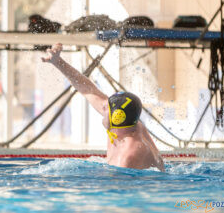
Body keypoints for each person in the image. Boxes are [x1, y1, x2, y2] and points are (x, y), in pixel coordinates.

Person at [42, 43, 164, 171]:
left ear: (117, 118)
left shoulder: (128, 156)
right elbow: (88, 89)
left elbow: (117, 188)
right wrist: (58, 62)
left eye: (106, 108)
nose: (103, 107)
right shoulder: (127, 124)